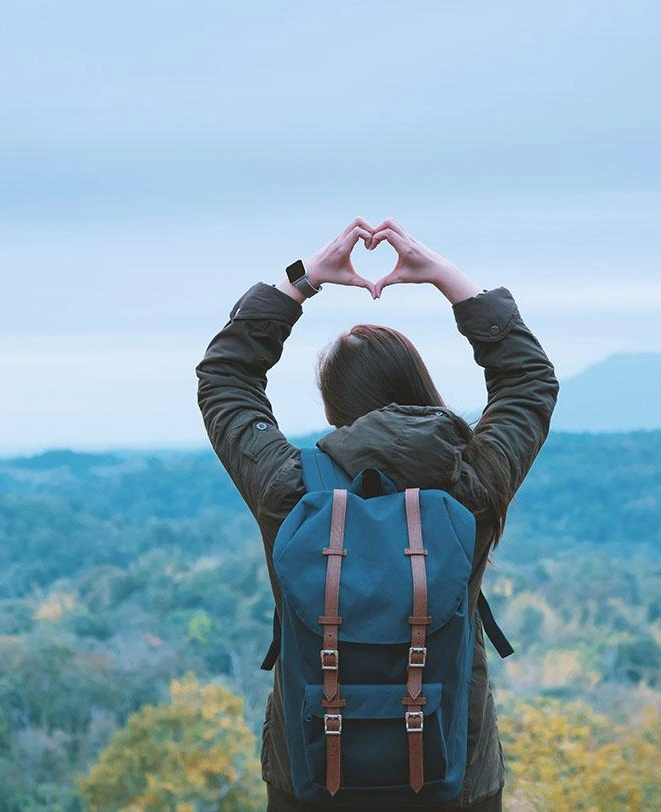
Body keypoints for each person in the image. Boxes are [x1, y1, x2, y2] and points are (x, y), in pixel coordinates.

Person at [195, 217, 560, 811]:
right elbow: (528, 382)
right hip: (454, 777)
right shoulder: (470, 486)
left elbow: (225, 380)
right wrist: (446, 278)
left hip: (312, 774)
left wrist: (301, 281)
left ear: (334, 409)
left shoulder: (292, 492)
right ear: (421, 388)